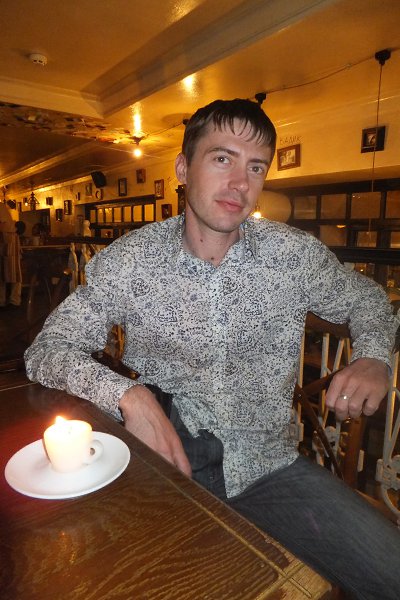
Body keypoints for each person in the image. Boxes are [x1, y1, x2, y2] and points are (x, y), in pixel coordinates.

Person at [25, 99, 400, 598]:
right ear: (183, 168)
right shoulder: (132, 261)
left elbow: (368, 300)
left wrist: (373, 355)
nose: (240, 183)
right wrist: (129, 396)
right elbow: (47, 350)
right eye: (223, 158)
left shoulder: (293, 256)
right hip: (165, 469)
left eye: (256, 167)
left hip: (270, 470)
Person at [0, 201, 22, 308]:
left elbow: (4, 225)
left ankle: (14, 300)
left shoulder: (1, 207)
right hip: (5, 244)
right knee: (2, 275)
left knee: (14, 274)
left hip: (10, 243)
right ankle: (3, 301)